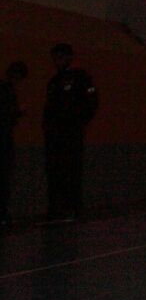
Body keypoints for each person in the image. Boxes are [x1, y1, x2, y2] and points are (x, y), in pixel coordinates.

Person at [42, 43, 96, 223]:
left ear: (69, 57)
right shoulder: (54, 81)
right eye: (55, 58)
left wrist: (77, 123)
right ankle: (55, 209)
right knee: (54, 171)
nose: (57, 62)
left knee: (70, 171)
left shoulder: (80, 77)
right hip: (54, 135)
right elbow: (50, 108)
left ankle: (72, 209)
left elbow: (91, 103)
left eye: (61, 57)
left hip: (71, 133)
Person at [0, 61, 26, 227]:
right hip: (3, 139)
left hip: (5, 137)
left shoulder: (7, 89)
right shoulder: (6, 90)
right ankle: (2, 213)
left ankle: (3, 212)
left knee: (4, 176)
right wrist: (17, 113)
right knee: (3, 176)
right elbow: (5, 115)